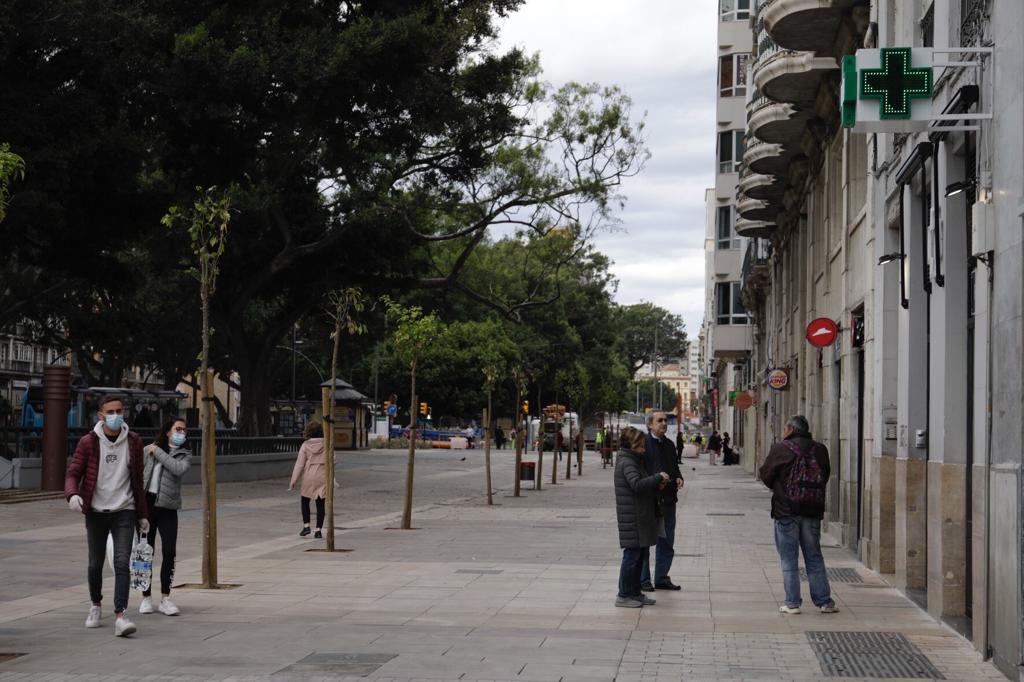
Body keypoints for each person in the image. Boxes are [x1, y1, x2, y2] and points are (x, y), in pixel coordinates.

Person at [64, 394, 149, 637]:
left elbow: (138, 480)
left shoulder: (134, 442)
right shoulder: (88, 442)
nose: (115, 416)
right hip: (96, 511)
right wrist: (72, 495)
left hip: (125, 510)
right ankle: (95, 605)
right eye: (110, 412)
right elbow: (73, 473)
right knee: (95, 564)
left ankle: (121, 615)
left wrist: (143, 515)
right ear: (100, 415)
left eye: (119, 411)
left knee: (123, 562)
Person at [758, 415, 839, 615]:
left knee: (789, 558)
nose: (784, 431)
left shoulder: (781, 448)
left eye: (785, 428)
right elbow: (825, 476)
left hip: (786, 512)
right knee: (814, 556)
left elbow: (766, 475)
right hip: (812, 511)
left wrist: (781, 488)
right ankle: (824, 602)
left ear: (791, 429)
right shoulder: (820, 449)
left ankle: (792, 603)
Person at [139, 416, 191, 616]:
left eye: (184, 430)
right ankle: (145, 597)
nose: (181, 433)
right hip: (147, 505)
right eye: (177, 429)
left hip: (168, 507)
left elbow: (178, 470)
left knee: (169, 552)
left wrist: (158, 451)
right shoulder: (148, 450)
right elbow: (137, 472)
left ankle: (165, 598)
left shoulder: (184, 454)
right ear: (168, 431)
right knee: (145, 552)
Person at [613, 426, 669, 608]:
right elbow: (636, 484)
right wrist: (657, 477)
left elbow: (641, 484)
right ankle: (623, 595)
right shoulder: (627, 461)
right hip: (633, 517)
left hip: (640, 515)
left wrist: (657, 484)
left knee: (641, 555)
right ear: (632, 445)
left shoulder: (635, 460)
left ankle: (635, 592)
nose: (644, 450)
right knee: (632, 556)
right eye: (641, 446)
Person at [640, 411, 685, 592]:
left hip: (668, 500)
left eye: (665, 421)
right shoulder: (643, 445)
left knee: (667, 540)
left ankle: (661, 577)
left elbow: (673, 467)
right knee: (646, 540)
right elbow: (639, 472)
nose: (664, 423)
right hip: (650, 500)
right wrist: (655, 480)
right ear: (650, 425)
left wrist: (679, 477)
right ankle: (644, 579)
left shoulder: (669, 444)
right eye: (660, 421)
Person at [290, 421, 329, 539]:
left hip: (309, 475)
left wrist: (293, 480)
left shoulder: (305, 445)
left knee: (305, 500)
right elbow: (333, 460)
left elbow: (300, 464)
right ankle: (318, 530)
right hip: (323, 475)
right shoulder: (327, 444)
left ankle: (306, 526)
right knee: (320, 502)